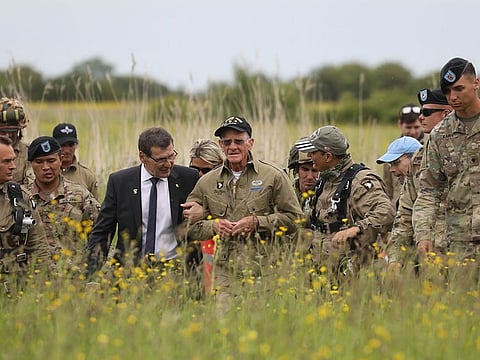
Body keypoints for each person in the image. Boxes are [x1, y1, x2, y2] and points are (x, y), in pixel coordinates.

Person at [183, 115, 303, 305]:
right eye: (227, 142)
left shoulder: (273, 176)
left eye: (238, 141)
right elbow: (189, 226)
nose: (233, 147)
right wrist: (214, 226)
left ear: (250, 143)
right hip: (224, 272)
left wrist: (257, 222)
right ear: (221, 145)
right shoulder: (207, 182)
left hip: (266, 270)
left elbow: (295, 219)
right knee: (223, 327)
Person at [86, 127, 199, 276]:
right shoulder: (120, 182)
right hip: (130, 271)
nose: (168, 164)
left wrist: (202, 212)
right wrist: (92, 273)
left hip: (175, 270)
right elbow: (103, 231)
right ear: (142, 156)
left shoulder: (188, 178)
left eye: (171, 156)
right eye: (161, 159)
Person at [296, 126, 395, 279]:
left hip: (352, 275)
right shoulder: (325, 180)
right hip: (322, 271)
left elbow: (386, 213)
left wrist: (356, 229)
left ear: (328, 156)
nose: (309, 155)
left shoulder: (359, 182)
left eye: (313, 152)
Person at [413, 57, 480, 262]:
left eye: (459, 89)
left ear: (475, 83)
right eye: (448, 91)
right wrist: (423, 234)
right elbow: (428, 191)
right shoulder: (440, 135)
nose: (453, 97)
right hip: (461, 242)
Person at [388, 89, 452, 267]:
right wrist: (395, 258)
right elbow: (406, 210)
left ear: (446, 113)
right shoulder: (418, 158)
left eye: (427, 112)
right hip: (428, 253)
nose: (421, 117)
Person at [27, 136, 100, 257]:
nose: (46, 167)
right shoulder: (22, 197)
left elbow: (100, 236)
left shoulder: (80, 196)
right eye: (39, 162)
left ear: (60, 160)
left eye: (51, 161)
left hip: (71, 271)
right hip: (32, 271)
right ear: (31, 164)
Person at [0, 135, 50, 294]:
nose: (13, 166)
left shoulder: (20, 199)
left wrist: (39, 291)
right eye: (6, 161)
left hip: (14, 287)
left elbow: (37, 246)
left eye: (13, 160)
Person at [383, 103, 423, 207]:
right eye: (408, 127)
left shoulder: (431, 148)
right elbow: (388, 189)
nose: (413, 131)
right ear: (400, 124)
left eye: (416, 127)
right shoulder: (392, 153)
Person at [52, 123, 99, 199]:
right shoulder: (45, 173)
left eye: (70, 145)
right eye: (62, 145)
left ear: (76, 145)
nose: (67, 150)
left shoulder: (88, 176)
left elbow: (95, 208)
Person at [0, 97, 32, 184]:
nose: (8, 135)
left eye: (13, 131)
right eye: (3, 131)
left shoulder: (29, 153)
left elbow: (31, 186)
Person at [287, 139, 319, 212]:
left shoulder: (327, 198)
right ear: (296, 171)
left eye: (314, 171)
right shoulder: (287, 196)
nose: (310, 177)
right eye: (305, 170)